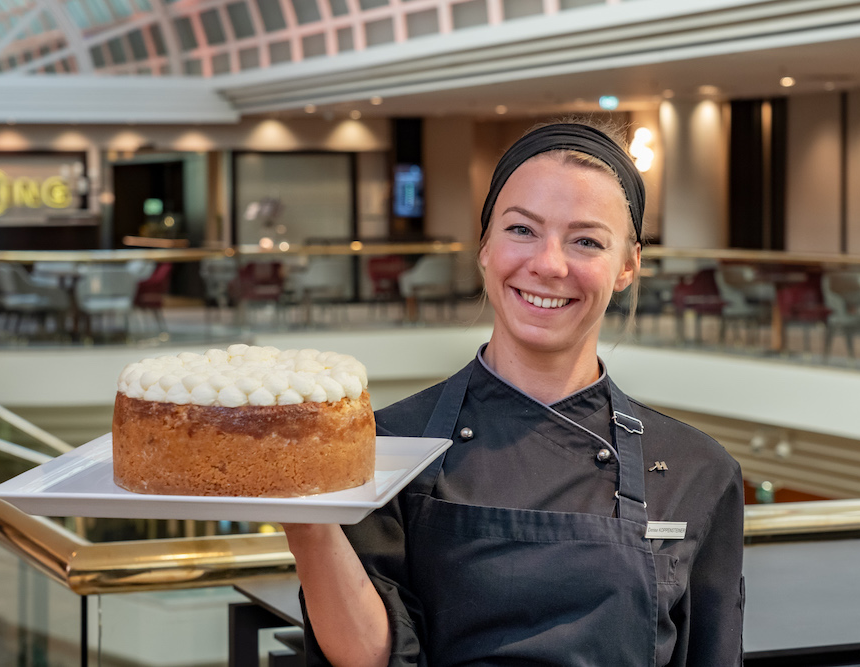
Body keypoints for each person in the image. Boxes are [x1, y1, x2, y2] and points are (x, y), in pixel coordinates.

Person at [284, 121, 745, 666]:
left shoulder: (698, 470)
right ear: (484, 247)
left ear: (628, 265)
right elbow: (371, 658)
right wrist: (307, 522)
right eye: (522, 230)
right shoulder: (382, 448)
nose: (548, 264)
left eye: (587, 241)